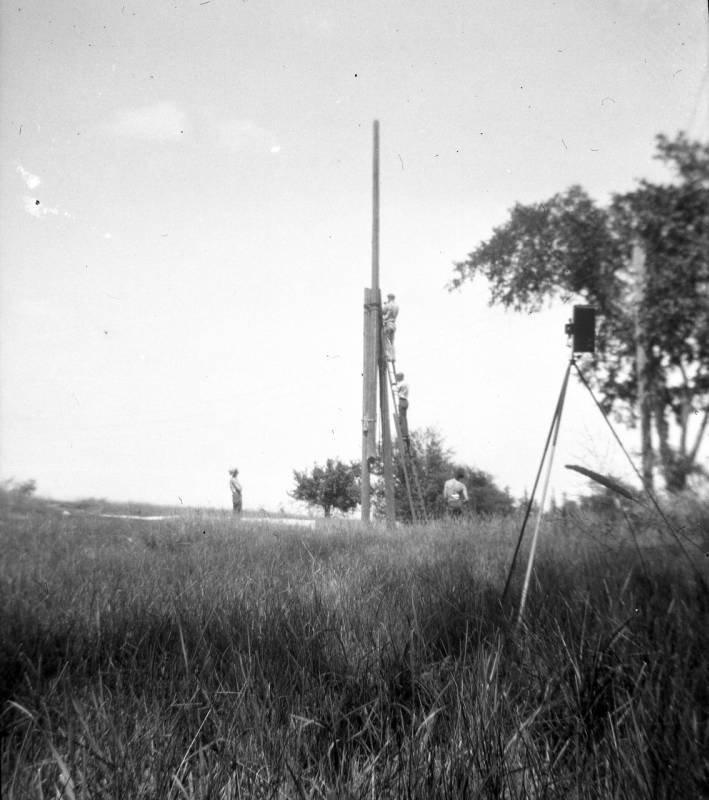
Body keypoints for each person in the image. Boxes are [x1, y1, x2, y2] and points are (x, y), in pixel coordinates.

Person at [382, 292, 399, 363]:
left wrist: (385, 305)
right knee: (392, 342)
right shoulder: (396, 306)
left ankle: (388, 355)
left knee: (385, 339)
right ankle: (393, 357)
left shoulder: (388, 305)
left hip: (388, 324)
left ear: (389, 298)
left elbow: (382, 312)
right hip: (393, 325)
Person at [395, 371, 410, 449]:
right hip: (406, 401)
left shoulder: (401, 384)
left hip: (402, 400)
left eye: (397, 377)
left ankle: (404, 434)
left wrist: (394, 385)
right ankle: (405, 434)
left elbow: (395, 389)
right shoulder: (406, 383)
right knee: (404, 418)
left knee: (402, 418)